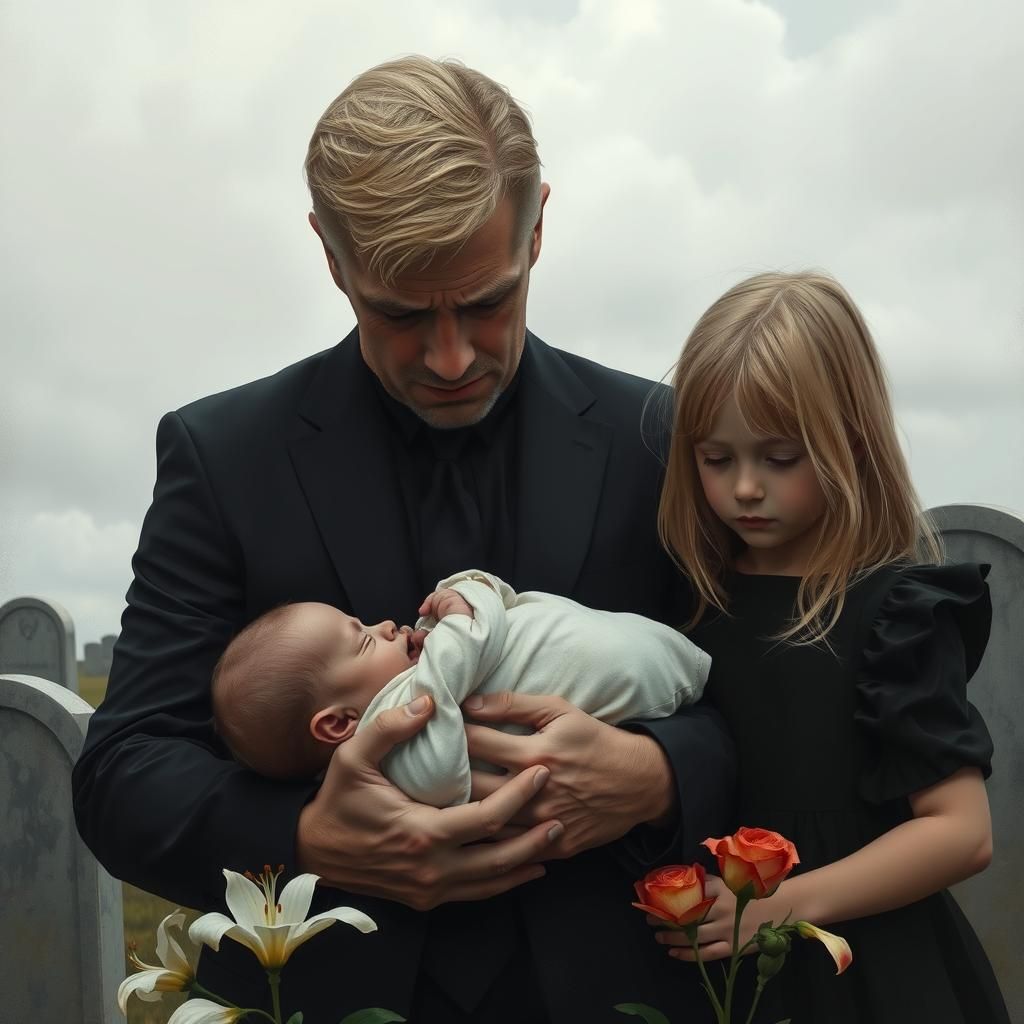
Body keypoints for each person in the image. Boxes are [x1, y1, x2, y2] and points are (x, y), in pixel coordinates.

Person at [72, 56, 735, 1023]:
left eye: (486, 301)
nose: (452, 356)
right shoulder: (221, 456)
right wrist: (310, 834)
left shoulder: (665, 439)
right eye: (401, 313)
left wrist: (660, 774)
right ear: (331, 258)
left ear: (538, 225)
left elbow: (771, 698)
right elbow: (123, 772)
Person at [652, 270, 1009, 1022]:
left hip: (872, 978)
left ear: (851, 440)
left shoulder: (896, 614)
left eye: (780, 458)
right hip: (725, 980)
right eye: (717, 459)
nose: (745, 488)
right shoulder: (691, 601)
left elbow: (960, 832)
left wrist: (788, 904)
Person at [213, 569, 711, 805]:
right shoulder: (399, 745)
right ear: (338, 723)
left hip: (652, 677)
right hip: (643, 673)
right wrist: (468, 597)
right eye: (363, 641)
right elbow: (466, 648)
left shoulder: (412, 684)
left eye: (362, 622)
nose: (386, 625)